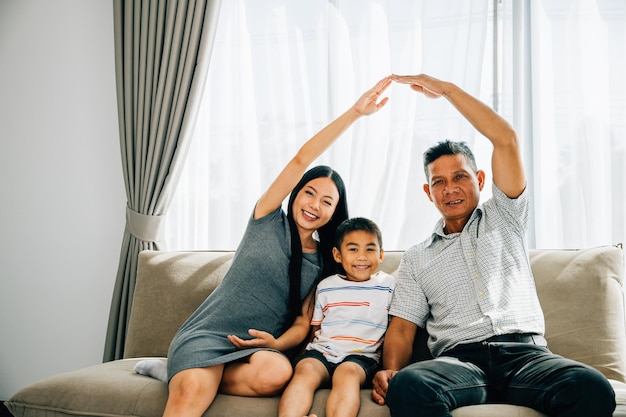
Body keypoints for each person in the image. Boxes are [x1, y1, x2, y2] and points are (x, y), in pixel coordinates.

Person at [133, 76, 391, 417]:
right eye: (309, 193)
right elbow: (301, 159)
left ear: (333, 213)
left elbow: (303, 322)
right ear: (296, 193)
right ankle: (187, 370)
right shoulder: (266, 219)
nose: (314, 204)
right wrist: (355, 113)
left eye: (327, 201)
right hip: (210, 333)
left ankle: (174, 371)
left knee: (279, 373)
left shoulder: (328, 264)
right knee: (193, 391)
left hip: (258, 350)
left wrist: (277, 344)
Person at [370, 74, 616, 417]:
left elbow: (506, 139)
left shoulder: (505, 215)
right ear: (428, 193)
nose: (450, 188)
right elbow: (401, 327)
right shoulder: (417, 257)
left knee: (591, 388)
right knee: (410, 385)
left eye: (460, 177)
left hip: (527, 358)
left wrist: (446, 91)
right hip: (459, 363)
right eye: (438, 182)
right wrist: (390, 370)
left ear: (480, 180)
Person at [278, 217, 395, 417]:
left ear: (381, 254)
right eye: (353, 249)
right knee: (305, 370)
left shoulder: (389, 285)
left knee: (346, 373)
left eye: (370, 249)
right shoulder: (326, 286)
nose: (362, 257)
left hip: (361, 357)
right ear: (337, 255)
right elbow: (316, 328)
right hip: (323, 352)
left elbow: (397, 326)